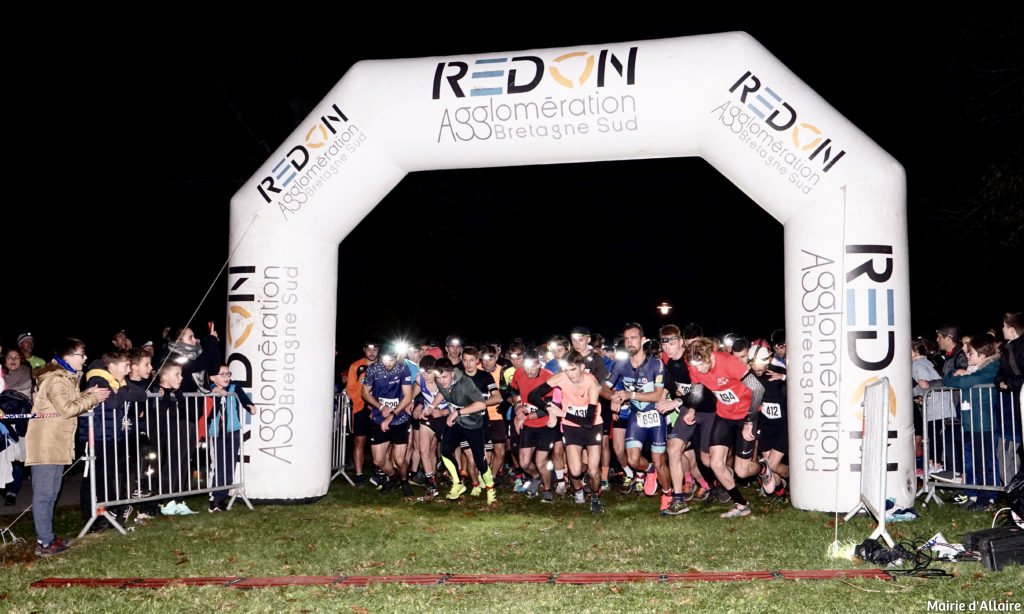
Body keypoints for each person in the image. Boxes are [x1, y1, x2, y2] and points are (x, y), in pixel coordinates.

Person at [25, 339, 110, 555]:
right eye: (81, 354)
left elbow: (67, 403)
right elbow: (67, 409)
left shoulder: (66, 378)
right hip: (46, 444)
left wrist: (86, 394)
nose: (85, 358)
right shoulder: (56, 379)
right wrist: (92, 398)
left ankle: (47, 536)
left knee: (52, 494)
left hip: (56, 443)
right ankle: (44, 543)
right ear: (68, 357)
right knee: (44, 495)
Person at [686, 337, 765, 518]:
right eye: (694, 366)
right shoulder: (695, 365)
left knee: (742, 471)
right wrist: (691, 410)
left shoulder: (729, 363)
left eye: (701, 365)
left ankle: (762, 469)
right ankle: (741, 504)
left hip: (746, 413)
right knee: (715, 463)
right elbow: (696, 391)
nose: (698, 370)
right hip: (724, 415)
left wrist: (750, 421)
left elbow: (758, 389)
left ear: (709, 356)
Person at [605, 323, 670, 512]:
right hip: (637, 416)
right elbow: (603, 387)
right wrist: (613, 397)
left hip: (656, 416)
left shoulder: (655, 364)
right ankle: (649, 470)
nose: (629, 342)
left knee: (660, 461)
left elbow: (658, 395)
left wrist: (629, 394)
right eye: (626, 339)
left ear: (643, 340)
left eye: (633, 338)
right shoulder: (620, 364)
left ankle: (667, 495)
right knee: (633, 460)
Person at [529, 352, 605, 513]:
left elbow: (588, 421)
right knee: (575, 471)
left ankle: (595, 498)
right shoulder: (561, 378)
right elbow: (533, 395)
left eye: (573, 369)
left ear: (582, 367)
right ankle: (584, 474)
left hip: (592, 426)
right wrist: (549, 409)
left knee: (594, 471)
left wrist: (561, 413)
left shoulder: (592, 383)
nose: (570, 374)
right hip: (571, 427)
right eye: (566, 370)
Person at [433, 358, 496, 504]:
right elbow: (442, 392)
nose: (441, 381)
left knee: (479, 460)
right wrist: (432, 406)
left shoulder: (465, 383)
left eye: (444, 377)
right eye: (438, 378)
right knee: (445, 450)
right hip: (457, 423)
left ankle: (490, 488)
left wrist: (457, 412)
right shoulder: (440, 380)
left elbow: (481, 405)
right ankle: (458, 483)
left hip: (473, 424)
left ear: (452, 373)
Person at [362, 345, 414, 496]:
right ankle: (394, 477)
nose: (388, 364)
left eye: (391, 360)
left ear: (396, 358)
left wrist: (392, 413)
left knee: (399, 459)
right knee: (378, 461)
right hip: (379, 418)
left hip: (399, 418)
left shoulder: (402, 368)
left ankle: (404, 481)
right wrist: (380, 406)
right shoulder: (373, 370)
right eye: (385, 360)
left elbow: (408, 396)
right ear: (380, 358)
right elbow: (364, 393)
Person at [206, 364, 256, 511]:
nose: (226, 377)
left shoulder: (234, 387)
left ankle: (222, 497)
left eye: (228, 374)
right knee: (219, 465)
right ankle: (214, 498)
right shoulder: (208, 389)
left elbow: (244, 399)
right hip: (217, 433)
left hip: (233, 431)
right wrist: (215, 394)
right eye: (222, 374)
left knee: (230, 465)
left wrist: (249, 405)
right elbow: (209, 413)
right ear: (212, 377)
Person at [345, 342, 378, 484]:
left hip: (380, 408)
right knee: (359, 440)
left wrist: (377, 405)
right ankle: (358, 474)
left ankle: (380, 472)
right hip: (360, 408)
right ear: (364, 350)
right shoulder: (356, 366)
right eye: (369, 349)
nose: (372, 352)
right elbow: (351, 389)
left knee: (380, 441)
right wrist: (365, 404)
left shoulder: (384, 365)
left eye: (375, 349)